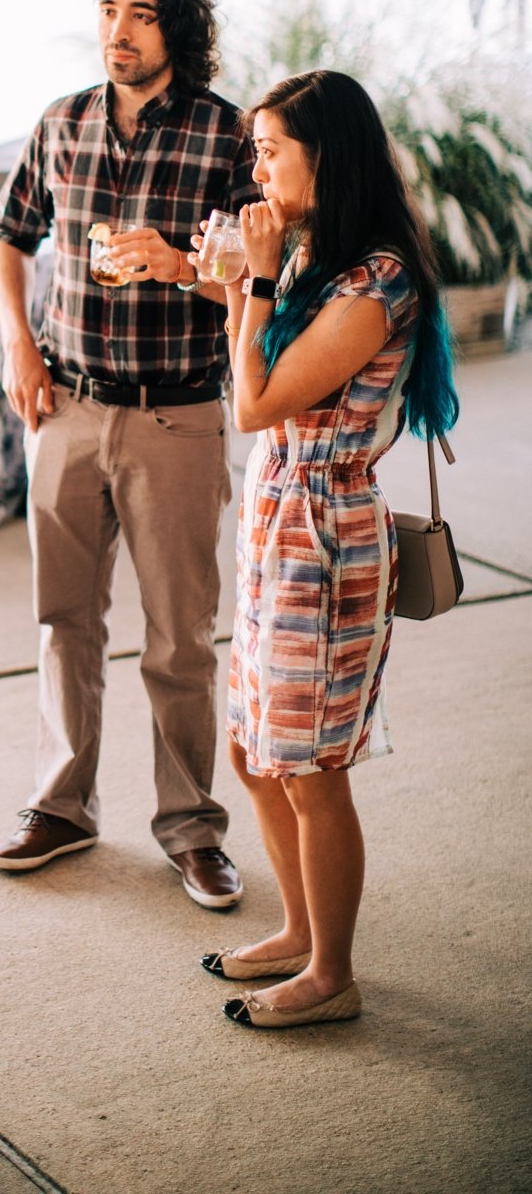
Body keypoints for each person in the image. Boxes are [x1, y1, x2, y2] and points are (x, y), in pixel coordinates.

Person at [0, 0, 258, 909]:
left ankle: (191, 826)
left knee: (180, 635)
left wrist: (184, 264)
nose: (118, 30)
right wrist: (19, 346)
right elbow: (8, 237)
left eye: (139, 12)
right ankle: (63, 805)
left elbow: (267, 283)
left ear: (176, 21)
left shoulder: (230, 138)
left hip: (176, 417)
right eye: (107, 9)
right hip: (65, 406)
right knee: (65, 619)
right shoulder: (61, 124)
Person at [209, 70, 458, 1030]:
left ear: (328, 155)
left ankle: (332, 974)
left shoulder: (376, 279)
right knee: (254, 748)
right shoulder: (318, 252)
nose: (257, 168)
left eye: (272, 150)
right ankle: (300, 930)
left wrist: (256, 285)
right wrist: (232, 279)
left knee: (311, 767)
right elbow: (256, 352)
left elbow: (256, 402)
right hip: (275, 522)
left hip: (325, 534)